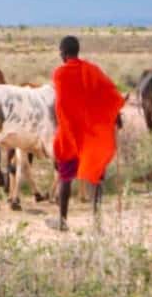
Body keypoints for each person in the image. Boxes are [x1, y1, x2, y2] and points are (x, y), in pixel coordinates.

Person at [47, 35, 125, 232]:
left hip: (70, 135)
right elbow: (109, 94)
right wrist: (115, 115)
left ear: (63, 53)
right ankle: (97, 224)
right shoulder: (92, 70)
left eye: (60, 53)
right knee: (96, 177)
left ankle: (63, 221)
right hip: (91, 135)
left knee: (65, 177)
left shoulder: (59, 74)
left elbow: (62, 105)